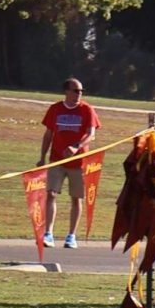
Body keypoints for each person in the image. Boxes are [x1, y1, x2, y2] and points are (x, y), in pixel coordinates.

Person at [38, 78, 101, 248]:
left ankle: (71, 236)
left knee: (76, 198)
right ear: (66, 91)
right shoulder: (55, 109)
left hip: (78, 162)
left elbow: (91, 134)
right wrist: (42, 157)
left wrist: (76, 146)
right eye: (76, 91)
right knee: (51, 194)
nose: (79, 94)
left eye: (81, 91)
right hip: (56, 160)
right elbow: (48, 134)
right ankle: (48, 233)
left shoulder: (87, 110)